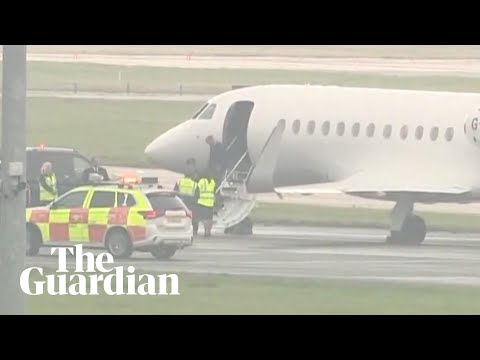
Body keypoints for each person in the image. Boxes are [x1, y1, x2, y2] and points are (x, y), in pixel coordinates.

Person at [174, 158, 200, 235]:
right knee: (193, 218)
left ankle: (182, 230)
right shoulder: (194, 184)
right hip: (192, 203)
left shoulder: (180, 182)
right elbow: (197, 194)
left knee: (182, 217)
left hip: (182, 202)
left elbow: (175, 192)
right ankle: (194, 231)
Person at [195, 169, 216, 237]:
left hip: (203, 202)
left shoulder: (202, 181)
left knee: (205, 219)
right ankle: (208, 231)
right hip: (210, 203)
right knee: (209, 219)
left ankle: (206, 231)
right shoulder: (212, 182)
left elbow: (197, 189)